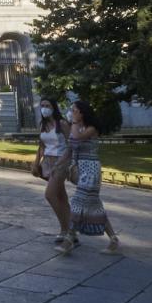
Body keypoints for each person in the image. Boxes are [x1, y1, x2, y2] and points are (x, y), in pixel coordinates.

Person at [63, 99, 119, 254]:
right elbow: (71, 146)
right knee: (93, 206)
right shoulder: (78, 127)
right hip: (82, 169)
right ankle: (113, 239)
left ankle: (69, 238)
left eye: (74, 110)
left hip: (91, 170)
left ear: (82, 112)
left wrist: (74, 123)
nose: (71, 112)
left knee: (77, 202)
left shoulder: (91, 128)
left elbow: (77, 138)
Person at [30, 97, 73, 246]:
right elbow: (41, 146)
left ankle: (65, 229)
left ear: (54, 107)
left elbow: (71, 144)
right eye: (42, 105)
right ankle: (70, 230)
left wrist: (66, 161)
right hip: (47, 162)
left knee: (50, 195)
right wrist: (36, 163)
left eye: (47, 105)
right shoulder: (43, 124)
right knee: (61, 196)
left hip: (61, 162)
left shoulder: (62, 124)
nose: (44, 108)